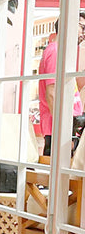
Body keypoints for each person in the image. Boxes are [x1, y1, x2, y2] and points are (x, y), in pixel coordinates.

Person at [37, 16, 85, 156]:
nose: (83, 33)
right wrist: (63, 129)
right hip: (59, 128)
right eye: (82, 27)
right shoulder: (56, 51)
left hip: (67, 125)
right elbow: (51, 93)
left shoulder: (60, 51)